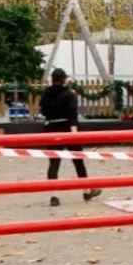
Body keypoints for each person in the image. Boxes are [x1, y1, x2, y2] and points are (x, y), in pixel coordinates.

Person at [38, 69, 101, 206]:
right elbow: (72, 115)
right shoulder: (70, 94)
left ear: (52, 79)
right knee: (78, 161)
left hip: (51, 129)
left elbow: (43, 111)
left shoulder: (45, 95)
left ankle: (53, 195)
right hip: (67, 129)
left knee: (54, 163)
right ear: (64, 80)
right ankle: (86, 191)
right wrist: (74, 133)